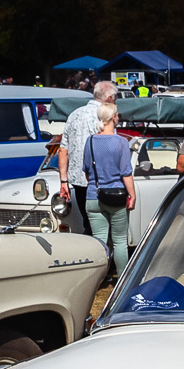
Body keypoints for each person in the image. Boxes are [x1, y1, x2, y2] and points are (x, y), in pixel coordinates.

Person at [83, 101, 135, 280]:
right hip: (117, 196)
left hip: (93, 196)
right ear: (113, 118)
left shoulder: (89, 141)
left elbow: (87, 172)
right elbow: (126, 173)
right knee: (120, 241)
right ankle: (122, 280)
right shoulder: (121, 142)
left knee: (99, 242)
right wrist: (132, 195)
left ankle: (96, 280)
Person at [57, 80, 116, 234]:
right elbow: (112, 148)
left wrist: (63, 181)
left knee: (88, 222)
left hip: (77, 179)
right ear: (109, 98)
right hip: (101, 180)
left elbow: (63, 149)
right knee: (103, 226)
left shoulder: (74, 114)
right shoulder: (105, 116)